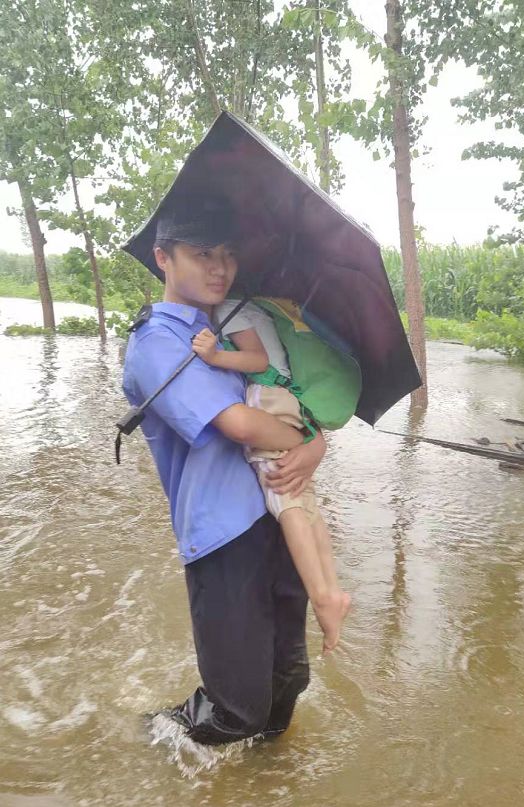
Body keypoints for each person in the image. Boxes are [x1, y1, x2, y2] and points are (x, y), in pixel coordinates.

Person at [122, 196, 327, 745]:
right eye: (202, 253)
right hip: (222, 533)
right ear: (163, 258)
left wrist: (316, 445)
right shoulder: (154, 342)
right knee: (238, 709)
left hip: (276, 517)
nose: (219, 268)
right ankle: (146, 744)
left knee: (288, 681)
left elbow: (284, 407)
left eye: (228, 255)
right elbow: (239, 424)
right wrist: (306, 440)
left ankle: (264, 784)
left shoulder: (236, 333)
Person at [192, 299, 351, 651]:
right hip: (290, 397)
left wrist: (215, 356)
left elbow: (257, 359)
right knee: (305, 500)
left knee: (283, 496)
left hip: (268, 396)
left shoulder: (231, 307)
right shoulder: (262, 305)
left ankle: (322, 596)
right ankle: (333, 590)